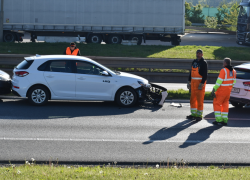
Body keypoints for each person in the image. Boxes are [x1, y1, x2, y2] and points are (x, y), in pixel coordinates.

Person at [211, 58, 236, 126]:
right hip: (228, 92)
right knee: (225, 104)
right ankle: (225, 120)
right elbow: (234, 82)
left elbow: (219, 82)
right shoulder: (234, 71)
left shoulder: (223, 70)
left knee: (216, 103)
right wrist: (229, 88)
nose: (223, 63)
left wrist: (214, 89)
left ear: (225, 63)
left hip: (221, 91)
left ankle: (219, 120)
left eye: (223, 62)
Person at [187, 49, 208, 121]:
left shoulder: (204, 63)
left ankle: (199, 115)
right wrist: (189, 81)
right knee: (192, 100)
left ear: (202, 55)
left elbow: (205, 75)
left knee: (200, 100)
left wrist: (202, 83)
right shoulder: (194, 62)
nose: (198, 55)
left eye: (199, 53)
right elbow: (191, 73)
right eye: (197, 53)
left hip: (199, 85)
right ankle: (193, 114)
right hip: (193, 85)